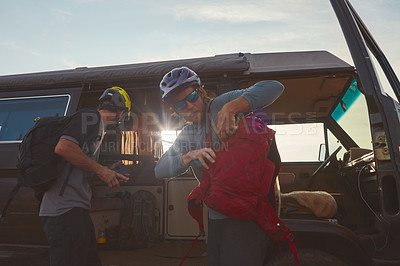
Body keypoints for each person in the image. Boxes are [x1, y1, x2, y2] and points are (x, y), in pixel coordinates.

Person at [154, 66, 284, 266]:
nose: (189, 105)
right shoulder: (187, 136)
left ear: (202, 92)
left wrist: (233, 107)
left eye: (193, 96)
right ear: (175, 110)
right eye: (180, 104)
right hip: (215, 215)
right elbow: (159, 170)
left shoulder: (221, 104)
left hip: (246, 214)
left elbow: (275, 86)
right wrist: (189, 156)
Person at [39, 86, 131, 266]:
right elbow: (63, 147)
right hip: (64, 211)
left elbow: (77, 164)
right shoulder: (91, 118)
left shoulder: (95, 126)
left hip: (76, 210)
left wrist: (106, 169)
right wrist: (101, 170)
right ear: (121, 112)